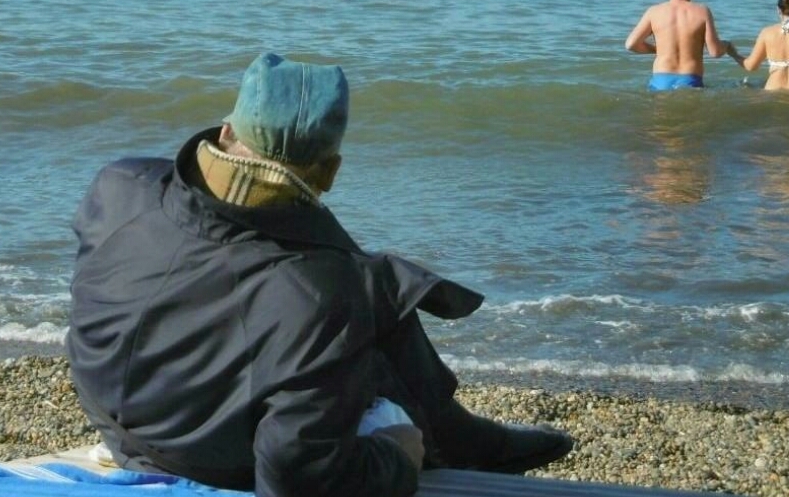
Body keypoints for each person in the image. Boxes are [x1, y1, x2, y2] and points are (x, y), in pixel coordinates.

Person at [67, 53, 572, 497]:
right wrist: (397, 457)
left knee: (342, 294)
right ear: (330, 173)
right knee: (352, 299)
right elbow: (299, 480)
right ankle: (452, 435)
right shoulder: (319, 293)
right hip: (203, 454)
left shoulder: (119, 184)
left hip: (115, 415)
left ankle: (457, 432)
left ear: (225, 133)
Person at [625, 0, 734, 90]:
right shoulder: (702, 11)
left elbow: (631, 44)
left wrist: (656, 50)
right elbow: (715, 52)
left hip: (660, 81)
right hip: (690, 80)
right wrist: (727, 45)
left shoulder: (654, 12)